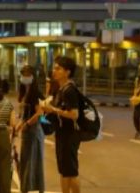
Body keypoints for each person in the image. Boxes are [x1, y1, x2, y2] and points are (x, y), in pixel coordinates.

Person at [41, 56, 81, 193]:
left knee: (71, 172)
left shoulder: (69, 90)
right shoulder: (62, 88)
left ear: (67, 72)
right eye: (54, 68)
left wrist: (53, 110)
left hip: (69, 135)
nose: (54, 71)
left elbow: (74, 114)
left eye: (58, 68)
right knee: (64, 171)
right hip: (62, 134)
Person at [16, 65, 45, 193]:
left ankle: (32, 189)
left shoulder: (36, 93)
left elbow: (39, 113)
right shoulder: (24, 93)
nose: (24, 78)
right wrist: (18, 124)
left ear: (33, 77)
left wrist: (27, 124)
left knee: (33, 162)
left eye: (27, 75)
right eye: (23, 75)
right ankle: (26, 188)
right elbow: (23, 114)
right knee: (25, 161)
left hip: (33, 132)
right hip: (26, 132)